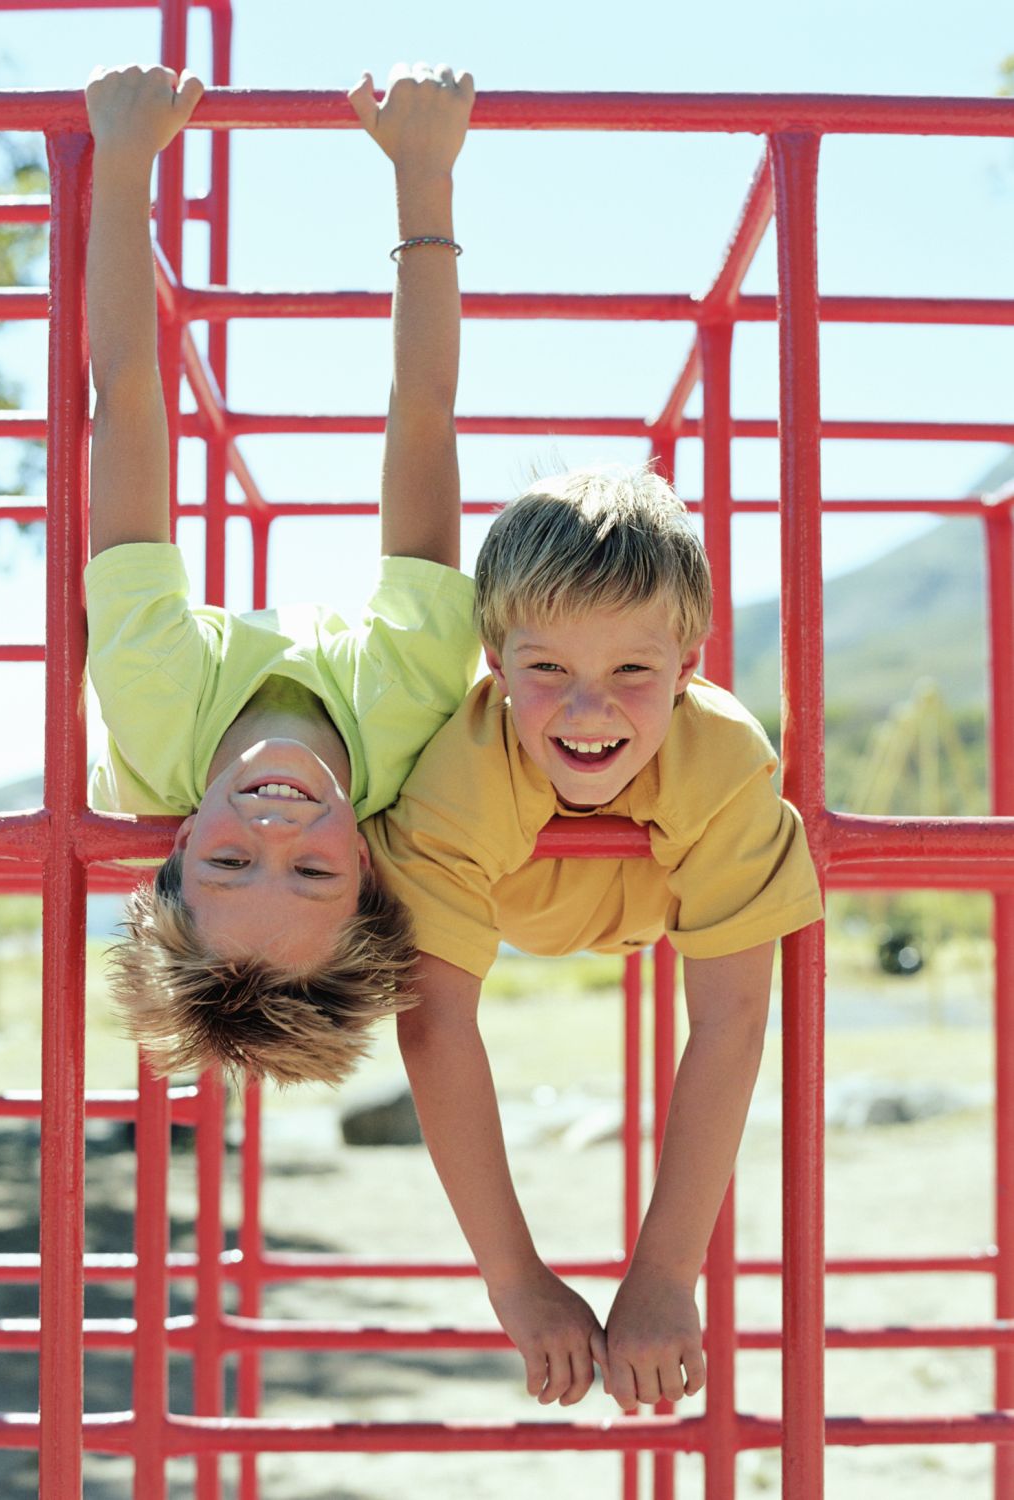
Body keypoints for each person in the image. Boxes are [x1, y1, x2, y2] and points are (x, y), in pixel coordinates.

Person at [363, 464, 824, 1412]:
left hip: (659, 894)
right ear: (493, 661)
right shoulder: (460, 773)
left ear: (688, 664)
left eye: (631, 670)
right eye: (546, 670)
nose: (587, 709)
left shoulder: (724, 758)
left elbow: (732, 1018)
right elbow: (436, 1025)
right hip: (512, 895)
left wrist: (664, 1273)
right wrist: (515, 1280)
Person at [83, 61, 477, 1087]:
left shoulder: (154, 701)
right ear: (368, 872)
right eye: (310, 871)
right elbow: (425, 416)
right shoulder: (411, 706)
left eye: (225, 863)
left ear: (169, 857)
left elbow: (126, 397)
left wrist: (122, 167)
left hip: (165, 720)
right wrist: (424, 174)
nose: (273, 827)